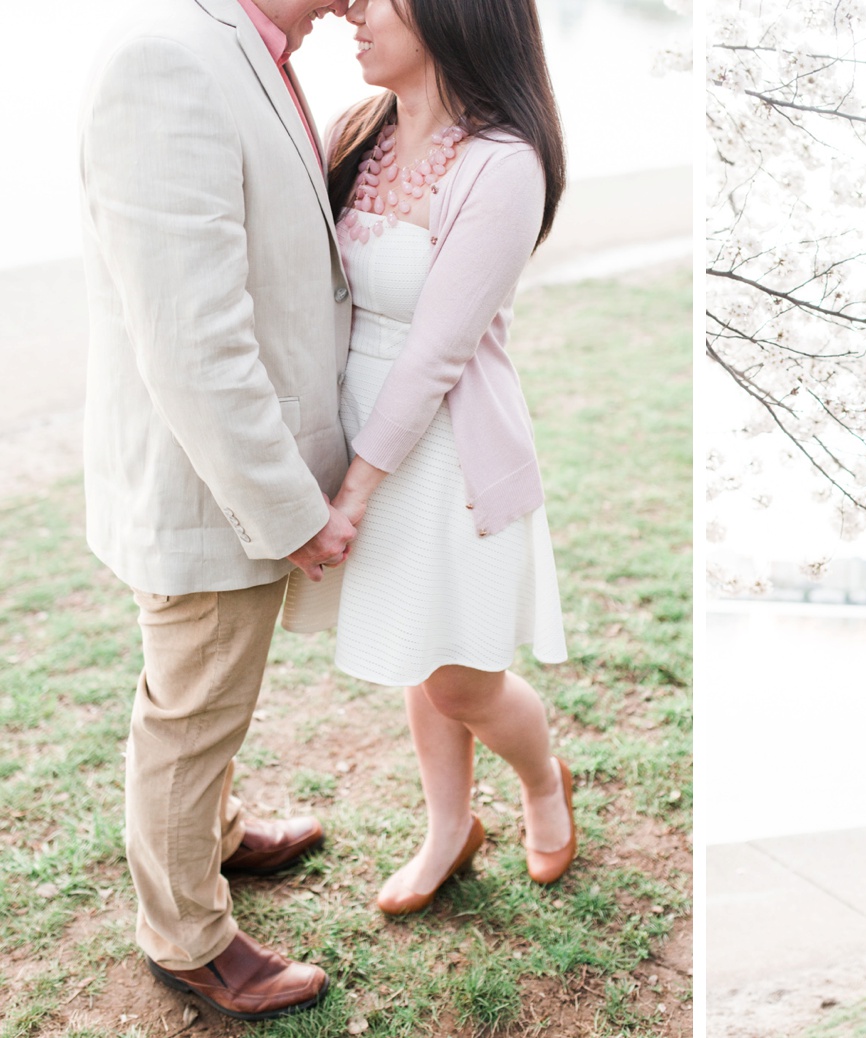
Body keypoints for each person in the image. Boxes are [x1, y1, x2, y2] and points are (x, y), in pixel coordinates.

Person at [80, 0, 360, 1022]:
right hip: (207, 482)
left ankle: (218, 833)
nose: (355, 4)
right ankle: (186, 937)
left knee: (214, 697)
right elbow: (193, 340)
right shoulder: (167, 59)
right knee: (191, 713)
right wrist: (288, 508)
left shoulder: (241, 47)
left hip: (228, 475)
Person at [280, 0, 574, 915]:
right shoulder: (354, 134)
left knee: (462, 680)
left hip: (444, 452)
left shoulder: (501, 166)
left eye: (380, 0)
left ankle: (541, 781)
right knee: (419, 649)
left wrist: (356, 489)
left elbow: (436, 354)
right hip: (358, 433)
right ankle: (449, 829)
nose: (352, 13)